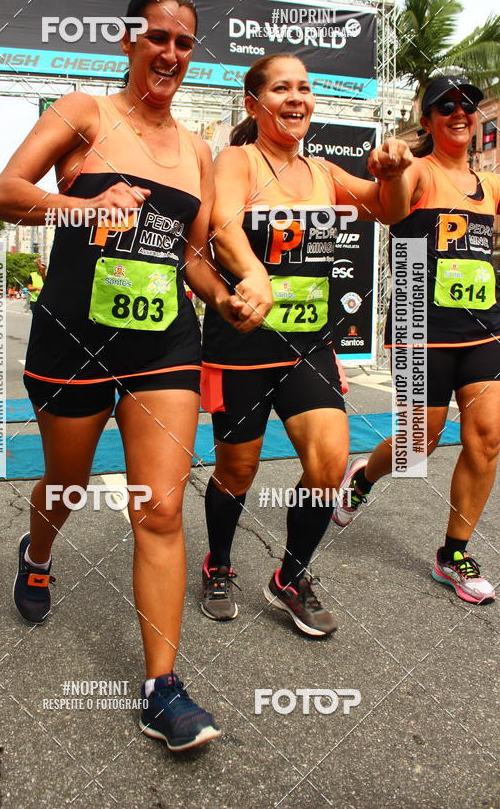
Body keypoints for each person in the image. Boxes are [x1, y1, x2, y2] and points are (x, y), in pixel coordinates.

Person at [0, 0, 240, 750]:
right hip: (74, 338)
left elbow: (191, 254)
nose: (169, 54)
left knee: (160, 509)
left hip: (164, 342)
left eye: (184, 43)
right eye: (157, 38)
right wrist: (80, 208)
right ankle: (38, 553)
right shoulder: (83, 113)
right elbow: (3, 195)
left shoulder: (198, 150)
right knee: (63, 483)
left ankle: (162, 688)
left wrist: (224, 298)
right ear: (129, 42)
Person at [200, 52, 411, 635]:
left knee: (328, 464)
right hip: (242, 341)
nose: (296, 98)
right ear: (254, 103)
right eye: (282, 89)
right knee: (236, 471)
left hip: (307, 344)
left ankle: (290, 576)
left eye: (305, 88)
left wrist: (392, 174)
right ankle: (217, 563)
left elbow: (388, 211)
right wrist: (254, 274)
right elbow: (221, 224)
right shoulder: (237, 160)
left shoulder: (323, 173)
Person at [333, 75, 499, 606]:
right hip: (418, 325)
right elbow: (397, 214)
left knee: (488, 437)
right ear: (427, 120)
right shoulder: (418, 170)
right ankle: (362, 477)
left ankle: (453, 553)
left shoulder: (491, 185)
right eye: (445, 105)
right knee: (415, 445)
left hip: (482, 329)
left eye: (468, 104)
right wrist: (397, 167)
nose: (460, 112)